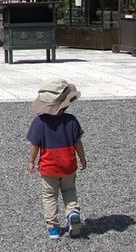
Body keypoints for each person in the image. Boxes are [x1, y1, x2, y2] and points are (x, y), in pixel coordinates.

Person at [27, 80, 87, 240]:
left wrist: (31, 161)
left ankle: (53, 228)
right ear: (65, 104)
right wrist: (83, 159)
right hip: (68, 165)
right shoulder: (71, 120)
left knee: (49, 196)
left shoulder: (39, 122)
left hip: (49, 167)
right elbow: (78, 143)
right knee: (69, 190)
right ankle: (72, 212)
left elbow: (35, 145)